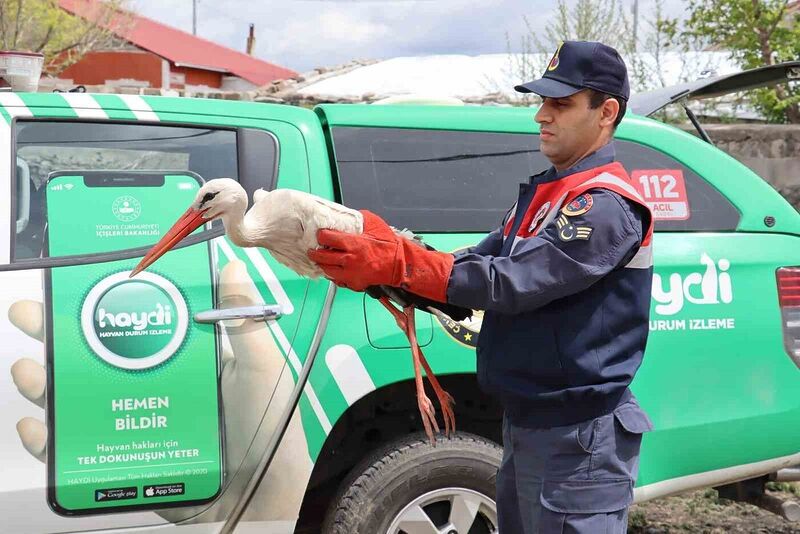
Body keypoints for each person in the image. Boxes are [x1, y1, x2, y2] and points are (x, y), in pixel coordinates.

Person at [308, 40, 655, 534]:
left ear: (607, 112)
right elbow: (470, 264)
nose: (541, 116)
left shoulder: (603, 205)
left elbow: (511, 283)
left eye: (560, 104)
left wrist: (401, 265)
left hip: (579, 437)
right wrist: (391, 265)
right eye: (542, 102)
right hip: (532, 423)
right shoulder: (547, 194)